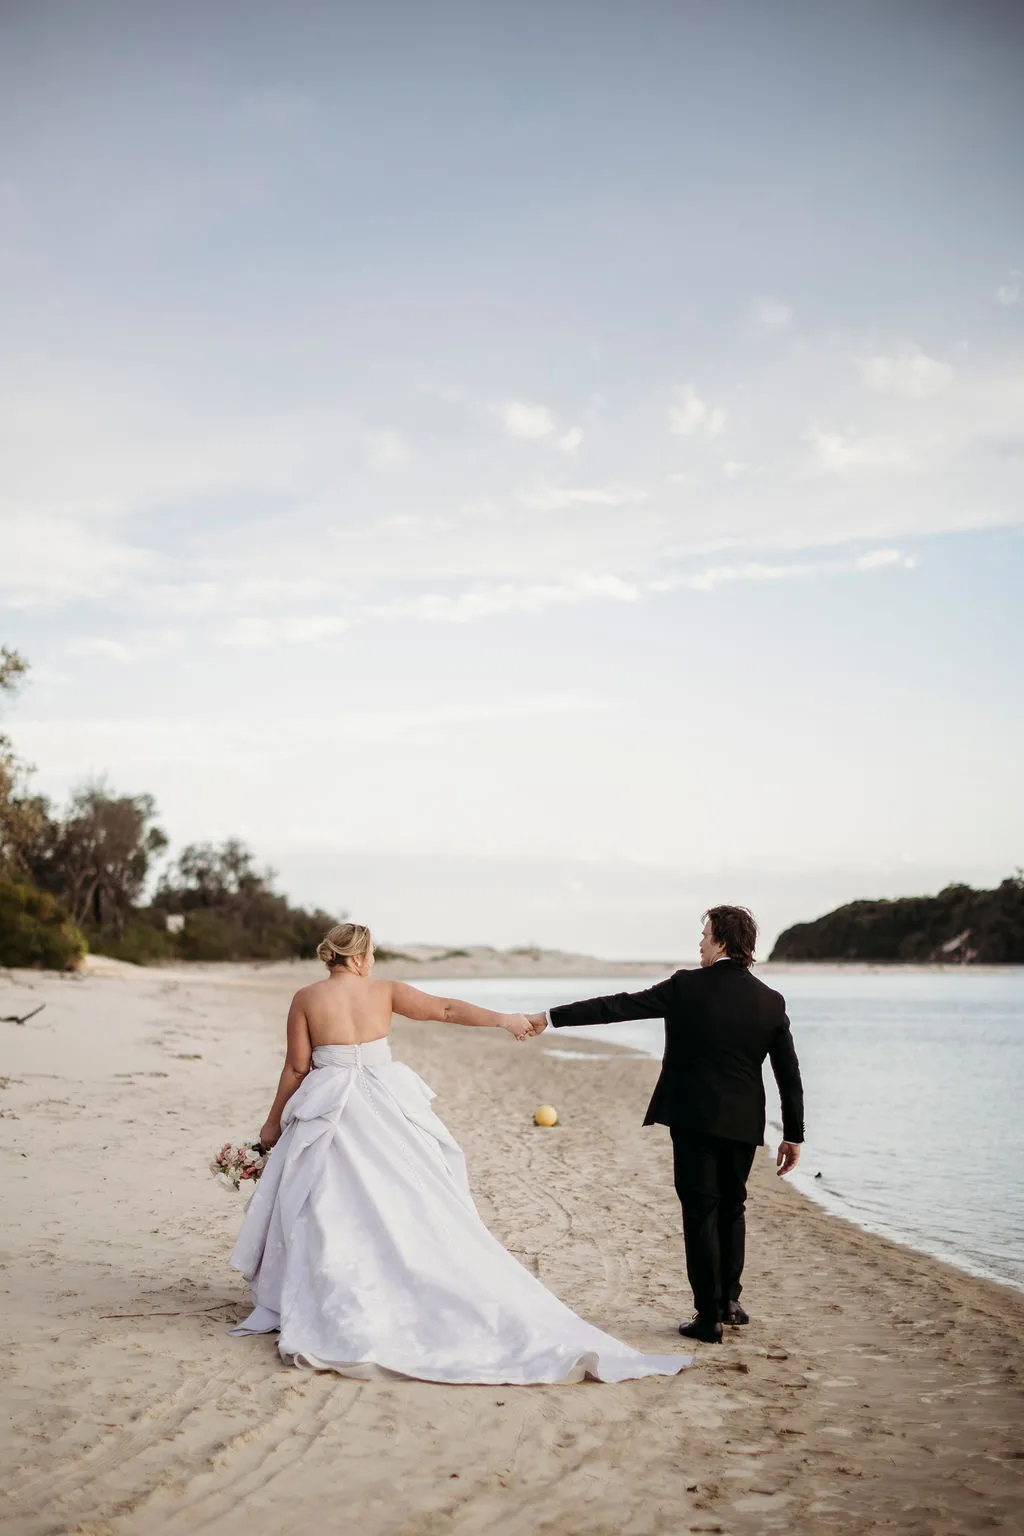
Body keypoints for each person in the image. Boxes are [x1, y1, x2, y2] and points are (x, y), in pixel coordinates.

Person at [228, 922, 692, 1384]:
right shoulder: (384, 991)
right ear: (358, 957)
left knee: (324, 1200)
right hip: (385, 1100)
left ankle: (327, 1290)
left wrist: (273, 1123)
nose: (373, 962)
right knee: (409, 1191)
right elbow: (447, 1010)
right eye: (371, 954)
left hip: (329, 1105)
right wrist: (506, 1019)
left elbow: (296, 1067)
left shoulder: (307, 999)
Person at [523, 906, 804, 1344]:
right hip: (744, 1124)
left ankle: (708, 1317)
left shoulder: (687, 986)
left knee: (700, 1212)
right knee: (733, 1207)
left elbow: (616, 1007)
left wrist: (551, 1017)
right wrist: (793, 1134)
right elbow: (789, 1072)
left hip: (693, 1119)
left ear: (722, 943)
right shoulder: (770, 1000)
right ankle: (730, 1300)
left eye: (705, 935)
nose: (700, 943)